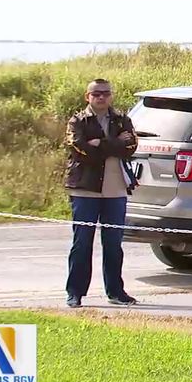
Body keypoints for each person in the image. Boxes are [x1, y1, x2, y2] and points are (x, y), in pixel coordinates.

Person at [63, 79, 139, 308]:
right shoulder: (77, 121)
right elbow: (80, 150)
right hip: (86, 190)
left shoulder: (122, 120)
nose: (101, 97)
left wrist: (100, 144)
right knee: (82, 243)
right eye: (96, 93)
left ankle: (116, 292)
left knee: (114, 244)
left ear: (111, 96)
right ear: (88, 96)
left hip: (115, 190)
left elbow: (132, 146)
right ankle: (75, 293)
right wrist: (114, 143)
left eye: (105, 93)